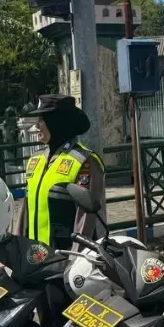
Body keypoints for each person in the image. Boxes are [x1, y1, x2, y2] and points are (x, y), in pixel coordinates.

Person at [14, 94, 106, 250]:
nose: (36, 126)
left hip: (65, 259)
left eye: (41, 120)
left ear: (56, 122)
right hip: (35, 259)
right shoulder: (35, 160)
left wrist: (75, 262)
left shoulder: (84, 161)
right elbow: (25, 210)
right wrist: (17, 249)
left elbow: (86, 220)